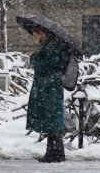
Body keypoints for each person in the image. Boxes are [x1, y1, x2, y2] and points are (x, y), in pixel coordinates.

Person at [26, 26, 68, 163]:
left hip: (50, 87)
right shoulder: (50, 45)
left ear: (42, 33)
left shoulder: (52, 46)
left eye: (35, 34)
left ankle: (56, 154)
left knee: (53, 120)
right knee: (52, 120)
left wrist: (33, 57)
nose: (34, 38)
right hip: (50, 87)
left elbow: (47, 65)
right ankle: (52, 153)